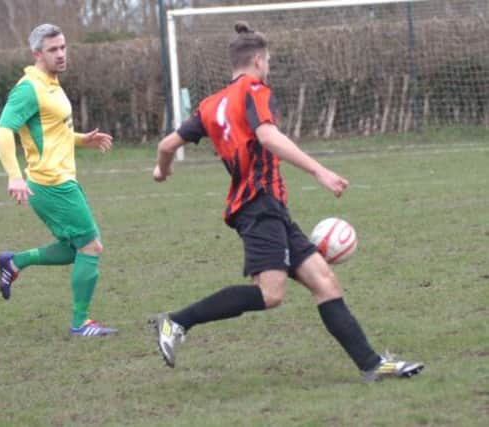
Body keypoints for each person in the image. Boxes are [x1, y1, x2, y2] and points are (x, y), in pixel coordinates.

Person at [150, 22, 424, 381]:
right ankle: (175, 322)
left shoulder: (209, 105)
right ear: (259, 60)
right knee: (270, 293)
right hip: (258, 206)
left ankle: (373, 365)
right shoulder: (256, 90)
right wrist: (319, 172)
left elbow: (166, 146)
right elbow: (268, 136)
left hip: (268, 208)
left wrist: (162, 171)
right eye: (269, 62)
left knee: (324, 282)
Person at [0, 23, 117, 337]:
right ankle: (80, 323)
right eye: (53, 50)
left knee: (73, 247)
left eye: (63, 47)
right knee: (91, 246)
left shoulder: (51, 83)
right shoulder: (28, 88)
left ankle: (15, 262)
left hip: (61, 179)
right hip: (51, 183)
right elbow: (3, 131)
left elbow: (50, 132)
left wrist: (80, 139)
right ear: (38, 54)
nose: (61, 54)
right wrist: (14, 176)